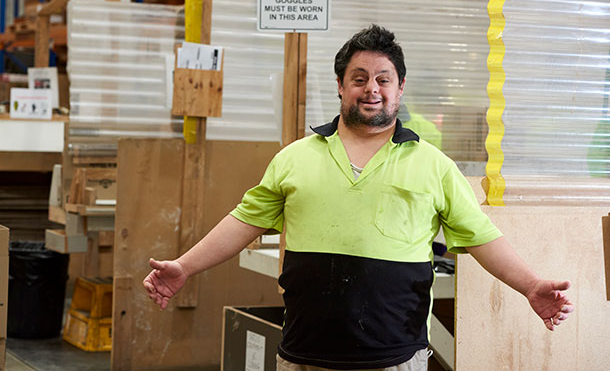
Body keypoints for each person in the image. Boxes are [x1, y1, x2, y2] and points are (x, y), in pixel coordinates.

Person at [143, 25, 574, 371]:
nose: (372, 89)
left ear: (400, 87)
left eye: (383, 79)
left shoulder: (433, 164)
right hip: (304, 354)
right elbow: (243, 222)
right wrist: (185, 266)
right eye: (359, 78)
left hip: (394, 356)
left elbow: (481, 238)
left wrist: (530, 286)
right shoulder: (295, 158)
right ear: (340, 86)